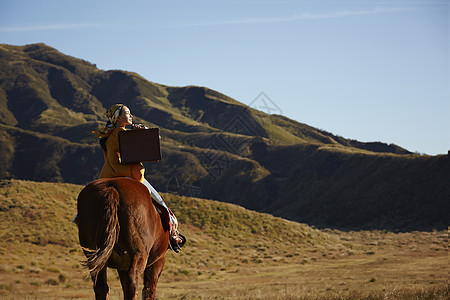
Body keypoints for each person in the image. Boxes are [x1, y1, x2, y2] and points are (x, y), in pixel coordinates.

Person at [94, 104, 186, 253]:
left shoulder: (110, 134)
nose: (131, 115)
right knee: (161, 204)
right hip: (127, 174)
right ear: (118, 118)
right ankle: (173, 235)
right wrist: (142, 134)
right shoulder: (122, 134)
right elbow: (147, 147)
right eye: (128, 113)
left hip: (106, 176)